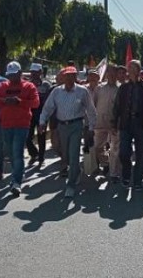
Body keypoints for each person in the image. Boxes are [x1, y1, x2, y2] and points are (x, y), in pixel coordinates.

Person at [39, 66, 97, 198]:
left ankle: (70, 185)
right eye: (67, 76)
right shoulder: (56, 92)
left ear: (76, 77)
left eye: (73, 76)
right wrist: (42, 122)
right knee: (65, 155)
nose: (70, 78)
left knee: (74, 153)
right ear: (63, 77)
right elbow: (48, 108)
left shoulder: (83, 91)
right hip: (62, 127)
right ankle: (76, 171)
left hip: (76, 125)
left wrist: (91, 128)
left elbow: (91, 110)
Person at [0, 61, 39, 196]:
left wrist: (20, 102)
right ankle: (19, 172)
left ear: (20, 73)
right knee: (11, 153)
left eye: (14, 75)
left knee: (17, 152)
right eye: (9, 75)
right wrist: (4, 101)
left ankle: (16, 181)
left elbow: (35, 103)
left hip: (22, 124)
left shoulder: (29, 86)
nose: (11, 78)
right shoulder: (2, 86)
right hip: (6, 124)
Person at [112, 60, 143, 190]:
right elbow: (117, 107)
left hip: (141, 123)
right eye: (129, 67)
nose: (130, 69)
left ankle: (137, 181)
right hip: (126, 123)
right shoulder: (123, 87)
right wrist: (114, 123)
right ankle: (126, 176)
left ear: (138, 70)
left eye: (133, 67)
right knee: (124, 152)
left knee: (140, 153)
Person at [92, 65, 120, 179]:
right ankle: (106, 162)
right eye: (109, 72)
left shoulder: (121, 89)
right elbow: (93, 105)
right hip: (100, 123)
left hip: (115, 124)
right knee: (97, 147)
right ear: (106, 74)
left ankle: (114, 173)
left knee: (115, 149)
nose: (112, 75)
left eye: (114, 72)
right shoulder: (99, 88)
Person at [26, 63, 52, 166]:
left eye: (36, 72)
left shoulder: (46, 85)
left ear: (40, 72)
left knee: (41, 136)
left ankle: (41, 157)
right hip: (29, 113)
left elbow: (49, 100)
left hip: (42, 113)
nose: (34, 74)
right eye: (32, 72)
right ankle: (34, 153)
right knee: (28, 137)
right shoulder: (27, 85)